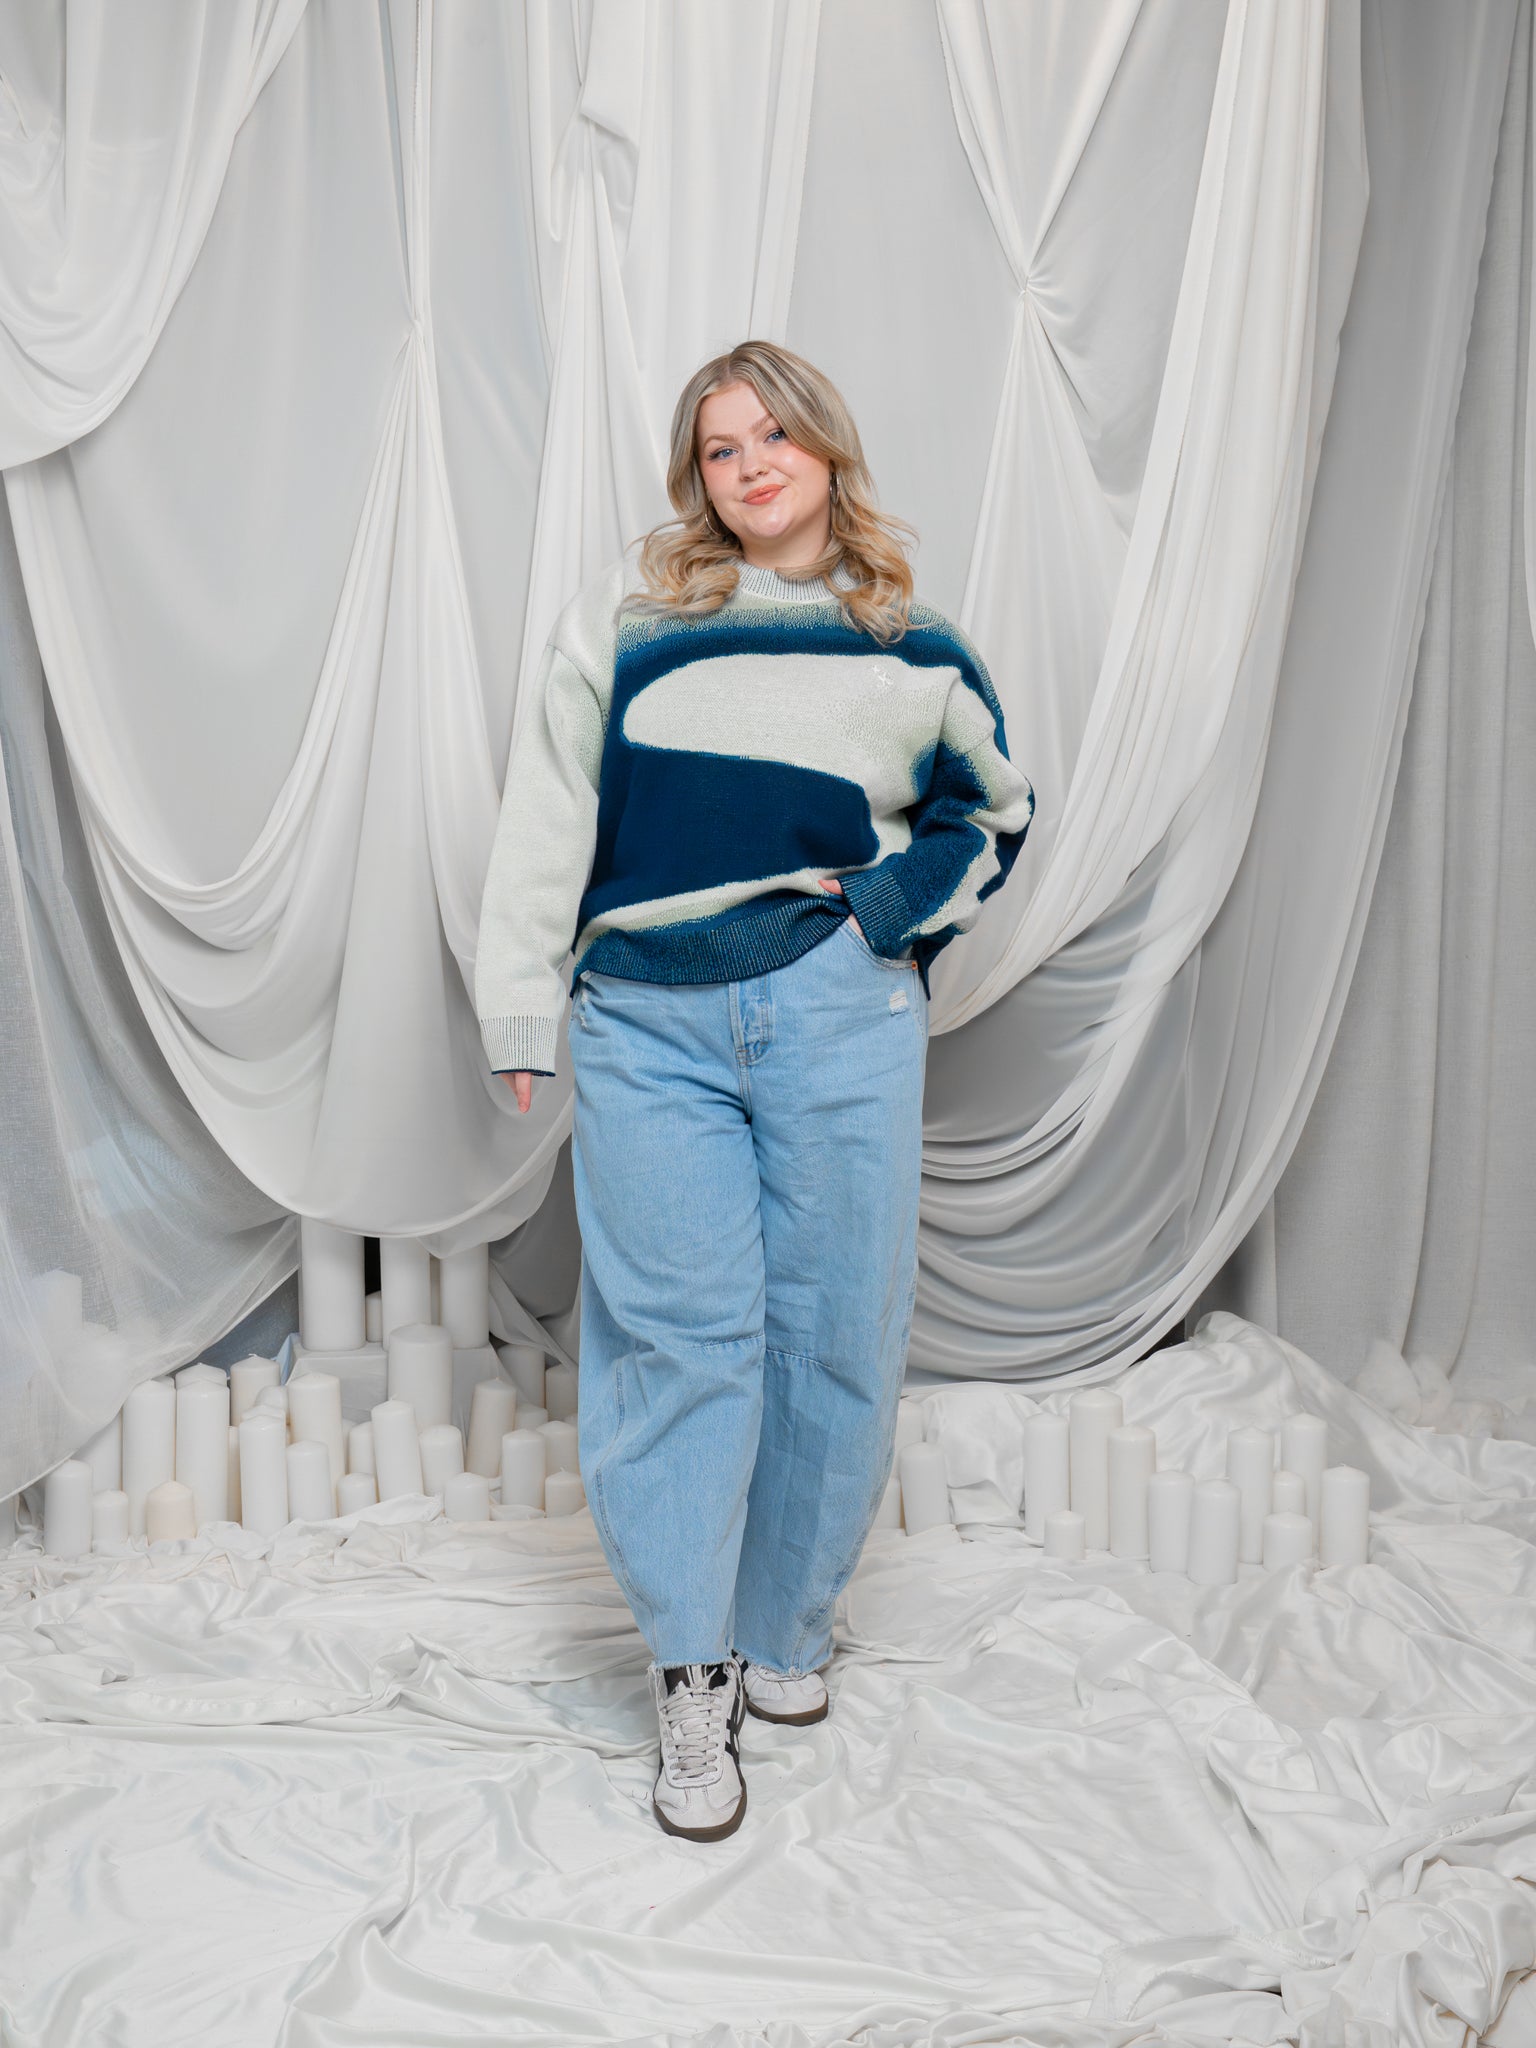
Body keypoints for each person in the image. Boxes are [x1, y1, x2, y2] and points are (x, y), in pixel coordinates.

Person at [474, 339, 1035, 1842]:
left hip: (834, 1006)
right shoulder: (639, 621)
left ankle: (789, 1630)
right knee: (679, 1341)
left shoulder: (912, 640)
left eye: (775, 435)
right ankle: (688, 1672)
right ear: (698, 479)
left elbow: (997, 808)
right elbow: (548, 803)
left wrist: (879, 922)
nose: (752, 466)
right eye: (722, 449)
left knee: (839, 1326)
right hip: (646, 1018)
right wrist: (522, 999)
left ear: (828, 450)